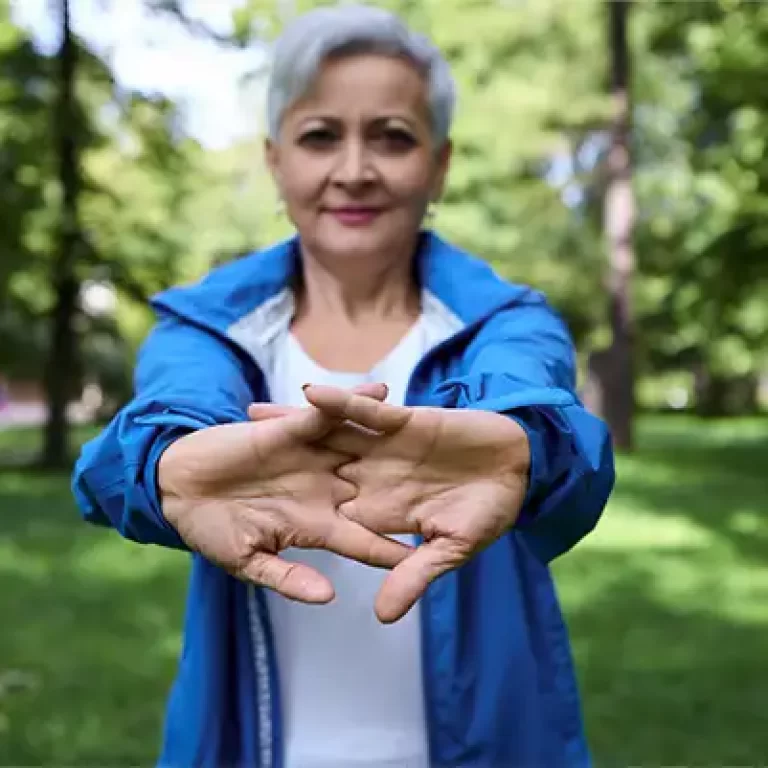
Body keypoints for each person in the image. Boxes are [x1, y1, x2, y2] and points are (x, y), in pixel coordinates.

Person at [71, 5, 615, 767]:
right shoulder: (207, 332)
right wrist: (162, 466)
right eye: (320, 135)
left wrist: (526, 449)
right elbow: (159, 422)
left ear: (441, 163)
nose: (354, 169)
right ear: (275, 160)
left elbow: (543, 415)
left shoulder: (507, 323)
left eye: (392, 136)